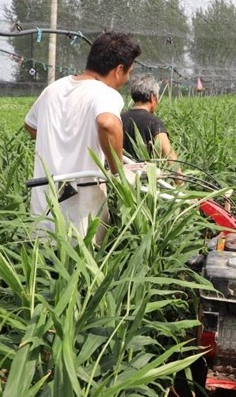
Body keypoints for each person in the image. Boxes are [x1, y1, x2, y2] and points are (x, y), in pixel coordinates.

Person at [24, 31, 141, 240]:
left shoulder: (53, 89)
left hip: (44, 212)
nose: (127, 79)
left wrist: (62, 139)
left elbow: (30, 126)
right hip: (81, 223)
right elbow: (107, 123)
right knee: (83, 271)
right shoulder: (104, 93)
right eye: (129, 73)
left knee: (42, 268)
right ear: (119, 70)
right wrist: (118, 173)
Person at [121, 74, 178, 163]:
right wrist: (179, 176)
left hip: (118, 174)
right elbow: (170, 157)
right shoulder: (154, 123)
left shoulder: (119, 118)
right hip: (145, 175)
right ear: (152, 97)